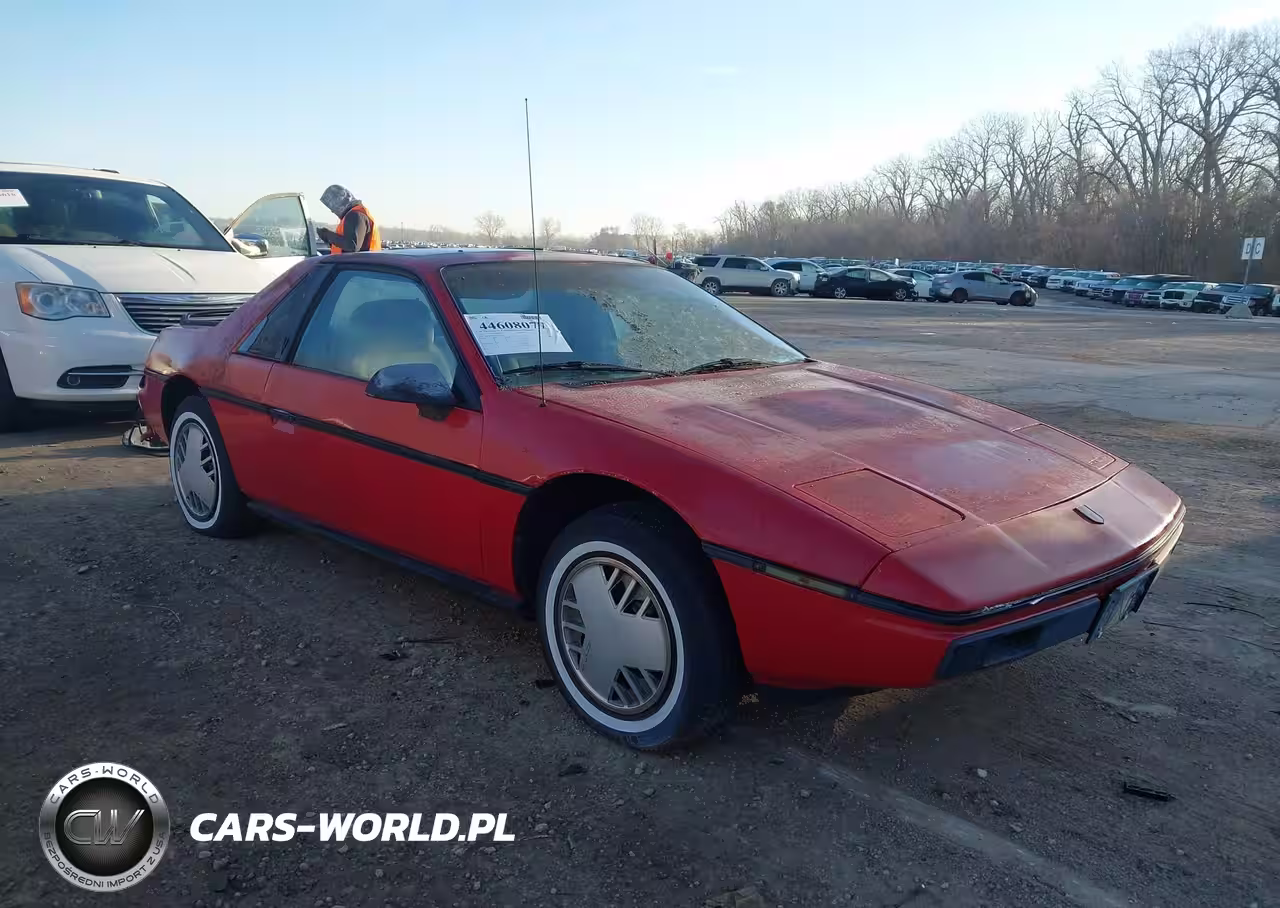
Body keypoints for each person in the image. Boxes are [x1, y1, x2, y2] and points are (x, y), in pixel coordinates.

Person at [316, 185, 382, 254]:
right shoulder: (354, 215)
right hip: (359, 263)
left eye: (333, 206)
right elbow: (345, 247)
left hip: (359, 264)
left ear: (340, 201)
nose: (333, 211)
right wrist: (328, 239)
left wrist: (328, 235)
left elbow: (352, 246)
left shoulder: (355, 215)